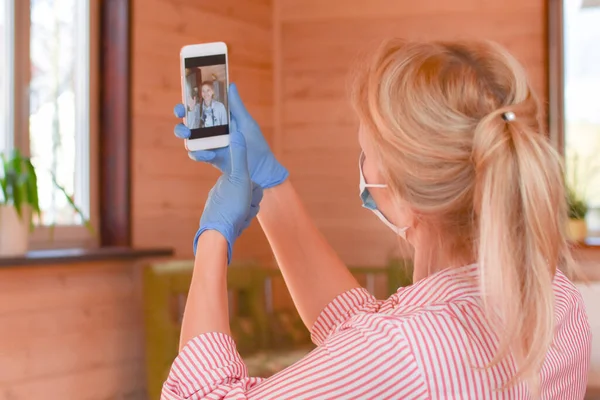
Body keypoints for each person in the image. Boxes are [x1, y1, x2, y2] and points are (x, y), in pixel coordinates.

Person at [165, 40, 591, 399]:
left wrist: (212, 237)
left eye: (366, 154)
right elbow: (356, 328)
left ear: (407, 201)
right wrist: (267, 182)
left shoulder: (403, 355)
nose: (362, 167)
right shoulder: (555, 295)